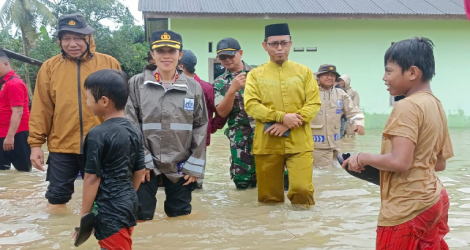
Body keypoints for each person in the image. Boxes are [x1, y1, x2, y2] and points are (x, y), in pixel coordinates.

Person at [343, 37, 452, 250]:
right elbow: (439, 164)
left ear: (412, 72)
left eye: (389, 71)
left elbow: (400, 162)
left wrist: (361, 157)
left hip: (407, 209)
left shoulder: (406, 107)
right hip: (434, 199)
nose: (384, 78)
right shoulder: (436, 105)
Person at [28, 13, 121, 209]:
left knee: (105, 196)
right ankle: (57, 236)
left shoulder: (109, 63)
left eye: (78, 37)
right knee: (56, 197)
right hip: (62, 146)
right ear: (59, 41)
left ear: (88, 38)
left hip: (101, 145)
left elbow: (120, 107)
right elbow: (41, 108)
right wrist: (36, 144)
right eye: (67, 38)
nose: (73, 44)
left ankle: (96, 235)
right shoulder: (49, 68)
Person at [126, 30, 208, 220]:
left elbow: (200, 126)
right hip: (146, 164)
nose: (166, 56)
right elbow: (130, 124)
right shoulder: (136, 84)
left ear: (180, 55)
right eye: (160, 51)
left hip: (181, 163)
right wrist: (141, 160)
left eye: (171, 51)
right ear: (152, 55)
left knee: (180, 216)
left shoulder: (193, 87)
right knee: (140, 215)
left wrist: (194, 166)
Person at [244, 23, 321, 205]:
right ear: (265, 46)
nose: (279, 48)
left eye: (284, 43)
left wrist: (288, 122)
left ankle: (302, 230)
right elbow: (251, 105)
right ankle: (275, 231)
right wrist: (280, 117)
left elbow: (314, 103)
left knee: (302, 190)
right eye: (274, 44)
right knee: (269, 199)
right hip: (268, 142)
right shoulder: (255, 74)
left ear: (290, 44)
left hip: (299, 142)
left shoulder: (304, 72)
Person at [74, 69, 145, 250]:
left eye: (88, 97)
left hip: (109, 210)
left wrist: (85, 215)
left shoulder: (97, 134)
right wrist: (128, 197)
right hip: (129, 204)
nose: (87, 103)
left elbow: (91, 178)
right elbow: (140, 171)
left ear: (104, 101)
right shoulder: (135, 131)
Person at [178, 49, 227, 189]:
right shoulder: (172, 86)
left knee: (195, 185)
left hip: (198, 144)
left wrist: (210, 128)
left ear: (181, 66)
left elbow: (221, 112)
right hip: (175, 143)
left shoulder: (206, 88)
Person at [213, 38, 257, 189]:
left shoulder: (259, 73)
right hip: (239, 138)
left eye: (230, 55)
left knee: (276, 178)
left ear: (240, 53)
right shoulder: (219, 82)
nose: (227, 60)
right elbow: (221, 112)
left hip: (265, 133)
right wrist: (232, 89)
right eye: (222, 57)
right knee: (243, 183)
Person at [311, 64, 365, 168]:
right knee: (322, 175)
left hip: (335, 144)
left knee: (335, 172)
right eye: (326, 74)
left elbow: (354, 111)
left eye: (332, 75)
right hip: (317, 146)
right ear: (319, 77)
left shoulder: (340, 94)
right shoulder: (311, 93)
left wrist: (359, 123)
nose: (329, 77)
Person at [0, 52, 31, 172]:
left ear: (6, 64)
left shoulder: (14, 84)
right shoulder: (3, 83)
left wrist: (10, 137)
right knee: (3, 172)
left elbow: (18, 112)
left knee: (23, 171)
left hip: (16, 134)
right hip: (3, 133)